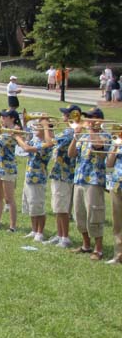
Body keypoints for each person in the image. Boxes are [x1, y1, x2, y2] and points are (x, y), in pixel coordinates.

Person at [68, 107, 111, 260]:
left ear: (99, 120)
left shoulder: (105, 135)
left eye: (92, 118)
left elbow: (99, 147)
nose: (88, 121)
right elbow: (71, 154)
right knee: (79, 214)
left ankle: (98, 249)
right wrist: (76, 136)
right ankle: (86, 244)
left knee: (95, 214)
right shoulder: (83, 136)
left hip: (94, 181)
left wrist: (90, 130)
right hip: (79, 179)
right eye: (88, 118)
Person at [45, 105, 80, 248]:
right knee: (57, 207)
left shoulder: (71, 132)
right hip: (58, 172)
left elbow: (50, 142)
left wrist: (46, 127)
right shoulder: (67, 130)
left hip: (64, 174)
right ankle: (59, 235)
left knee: (62, 208)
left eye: (65, 115)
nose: (63, 117)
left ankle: (65, 237)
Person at [15, 120, 54, 242]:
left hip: (38, 178)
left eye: (39, 127)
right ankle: (34, 230)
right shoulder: (36, 139)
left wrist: (17, 137)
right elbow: (25, 144)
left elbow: (26, 148)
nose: (35, 128)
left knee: (38, 206)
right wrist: (21, 133)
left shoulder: (47, 143)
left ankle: (40, 232)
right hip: (29, 176)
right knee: (30, 205)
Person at [0, 109, 21, 231]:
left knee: (9, 198)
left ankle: (12, 226)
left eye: (4, 116)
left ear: (12, 118)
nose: (1, 118)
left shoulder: (14, 131)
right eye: (1, 116)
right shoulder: (1, 129)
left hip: (8, 168)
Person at [105, 135, 122, 264]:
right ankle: (118, 255)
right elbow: (109, 164)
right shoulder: (117, 141)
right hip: (117, 184)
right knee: (117, 223)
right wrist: (116, 145)